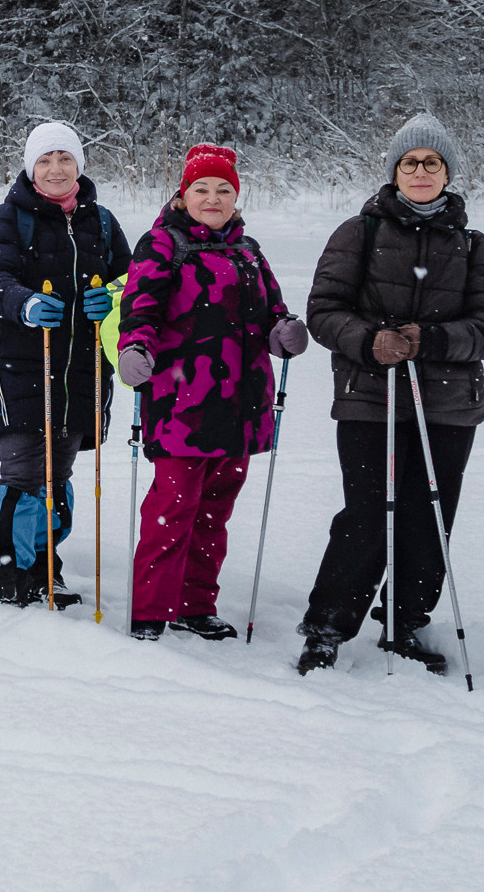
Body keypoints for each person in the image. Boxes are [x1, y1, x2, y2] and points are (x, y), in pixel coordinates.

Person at [295, 114, 484, 675]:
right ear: (394, 171)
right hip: (372, 397)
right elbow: (323, 312)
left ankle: (405, 622)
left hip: (448, 402)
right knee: (367, 513)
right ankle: (327, 628)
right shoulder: (358, 232)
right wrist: (369, 341)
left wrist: (432, 339)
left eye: (431, 163)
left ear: (447, 173)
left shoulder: (470, 243)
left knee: (429, 517)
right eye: (409, 162)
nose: (420, 172)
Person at [117, 144, 308, 640]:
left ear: (236, 198)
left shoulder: (249, 251)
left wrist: (284, 331)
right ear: (184, 194)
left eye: (224, 189)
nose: (212, 197)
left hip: (242, 407)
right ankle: (151, 613)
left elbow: (271, 313)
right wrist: (135, 347)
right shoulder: (162, 244)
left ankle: (194, 605)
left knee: (214, 514)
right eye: (201, 188)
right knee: (170, 512)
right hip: (183, 406)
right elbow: (141, 312)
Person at [0, 123, 131, 607]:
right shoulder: (11, 217)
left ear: (79, 165)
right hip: (22, 365)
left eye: (65, 159)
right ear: (30, 167)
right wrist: (22, 303)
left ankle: (46, 569)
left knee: (57, 478)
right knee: (23, 476)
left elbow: (132, 282)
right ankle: (12, 574)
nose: (56, 169)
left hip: (81, 370)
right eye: (45, 160)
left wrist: (113, 299)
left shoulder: (101, 222)